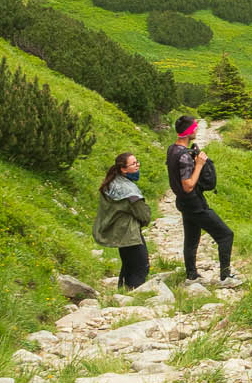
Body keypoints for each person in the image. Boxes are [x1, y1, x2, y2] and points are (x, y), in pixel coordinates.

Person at [166, 114, 240, 286]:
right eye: (194, 127)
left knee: (191, 238)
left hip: (183, 202)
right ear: (189, 131)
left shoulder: (172, 150)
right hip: (194, 203)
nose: (197, 129)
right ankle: (225, 276)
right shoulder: (184, 156)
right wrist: (199, 164)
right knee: (226, 235)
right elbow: (188, 185)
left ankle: (191, 275)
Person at [93, 152, 153, 288]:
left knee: (128, 264)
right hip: (129, 233)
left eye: (137, 162)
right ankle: (134, 294)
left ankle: (122, 292)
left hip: (120, 233)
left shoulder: (112, 182)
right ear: (123, 169)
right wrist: (144, 220)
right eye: (133, 164)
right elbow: (143, 214)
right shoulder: (127, 189)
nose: (137, 165)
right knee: (140, 266)